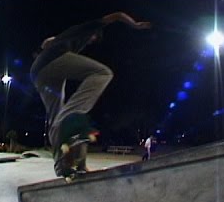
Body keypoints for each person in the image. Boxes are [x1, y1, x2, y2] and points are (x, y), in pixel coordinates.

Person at [30, 12, 151, 177]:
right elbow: (116, 15)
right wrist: (134, 24)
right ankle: (70, 115)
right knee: (102, 73)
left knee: (55, 116)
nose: (91, 41)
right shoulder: (88, 27)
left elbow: (46, 43)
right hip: (53, 61)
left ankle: (62, 166)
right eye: (93, 39)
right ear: (94, 33)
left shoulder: (67, 38)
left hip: (38, 72)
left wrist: (52, 44)